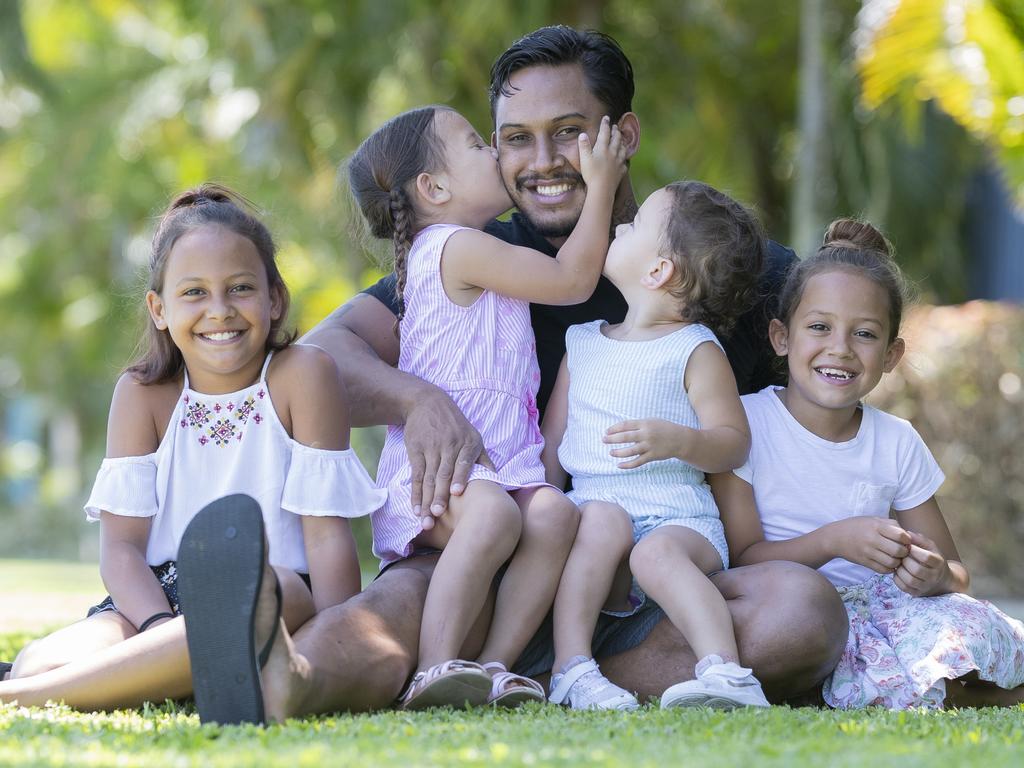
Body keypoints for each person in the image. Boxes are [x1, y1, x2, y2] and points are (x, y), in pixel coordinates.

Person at [181, 26, 848, 724]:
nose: (541, 160)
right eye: (514, 138)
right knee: (400, 602)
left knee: (802, 612)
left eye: (567, 132)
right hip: (491, 561)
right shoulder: (478, 255)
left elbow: (834, 378)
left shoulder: (721, 263)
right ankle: (293, 679)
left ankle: (555, 671)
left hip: (663, 581)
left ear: (622, 133)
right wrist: (416, 398)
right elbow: (319, 358)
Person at [0, 185, 384, 716]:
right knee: (38, 661)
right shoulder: (142, 396)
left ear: (274, 298)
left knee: (266, 592)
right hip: (158, 601)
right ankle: (162, 673)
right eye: (195, 293)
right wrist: (161, 631)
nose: (220, 311)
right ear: (159, 309)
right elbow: (121, 550)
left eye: (240, 288)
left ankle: (19, 699)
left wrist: (334, 647)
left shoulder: (304, 374)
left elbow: (325, 537)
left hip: (276, 594)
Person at [346, 104, 627, 708]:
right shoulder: (454, 246)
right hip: (445, 471)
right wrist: (601, 182)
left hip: (500, 463)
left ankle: (493, 665)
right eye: (478, 144)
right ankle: (432, 667)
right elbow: (571, 280)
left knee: (553, 514)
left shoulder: (469, 246)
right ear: (434, 188)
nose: (496, 153)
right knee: (496, 516)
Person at [713, 218, 1024, 709]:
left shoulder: (895, 440)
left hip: (888, 613)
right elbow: (740, 559)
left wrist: (932, 575)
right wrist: (836, 540)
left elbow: (957, 573)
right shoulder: (745, 425)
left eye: (864, 334)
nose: (840, 348)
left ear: (891, 355)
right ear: (781, 337)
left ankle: (962, 689)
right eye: (819, 327)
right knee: (891, 667)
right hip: (789, 614)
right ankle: (975, 695)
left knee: (973, 623)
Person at [541, 181, 771, 710]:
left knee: (655, 551)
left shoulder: (694, 350)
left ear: (658, 270)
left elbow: (733, 444)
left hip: (678, 523)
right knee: (602, 523)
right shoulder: (582, 343)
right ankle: (572, 669)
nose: (621, 226)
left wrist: (680, 440)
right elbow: (553, 447)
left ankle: (726, 673)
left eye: (635, 223)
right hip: (593, 521)